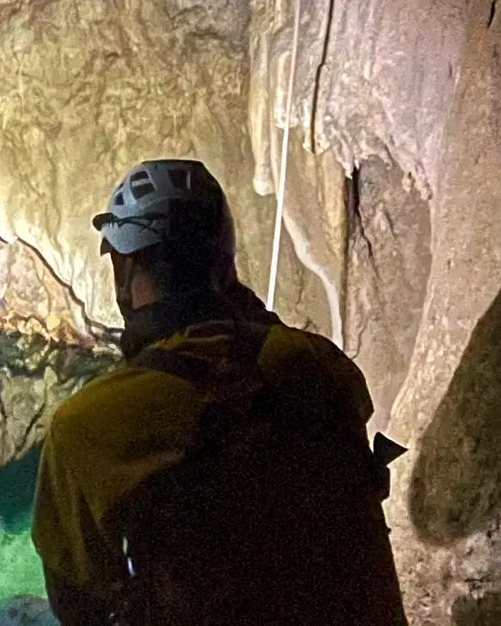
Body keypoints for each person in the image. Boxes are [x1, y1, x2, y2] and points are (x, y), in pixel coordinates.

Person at [32, 159, 407, 625]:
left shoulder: (88, 425)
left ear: (125, 271)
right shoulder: (322, 366)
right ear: (225, 267)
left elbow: (75, 605)